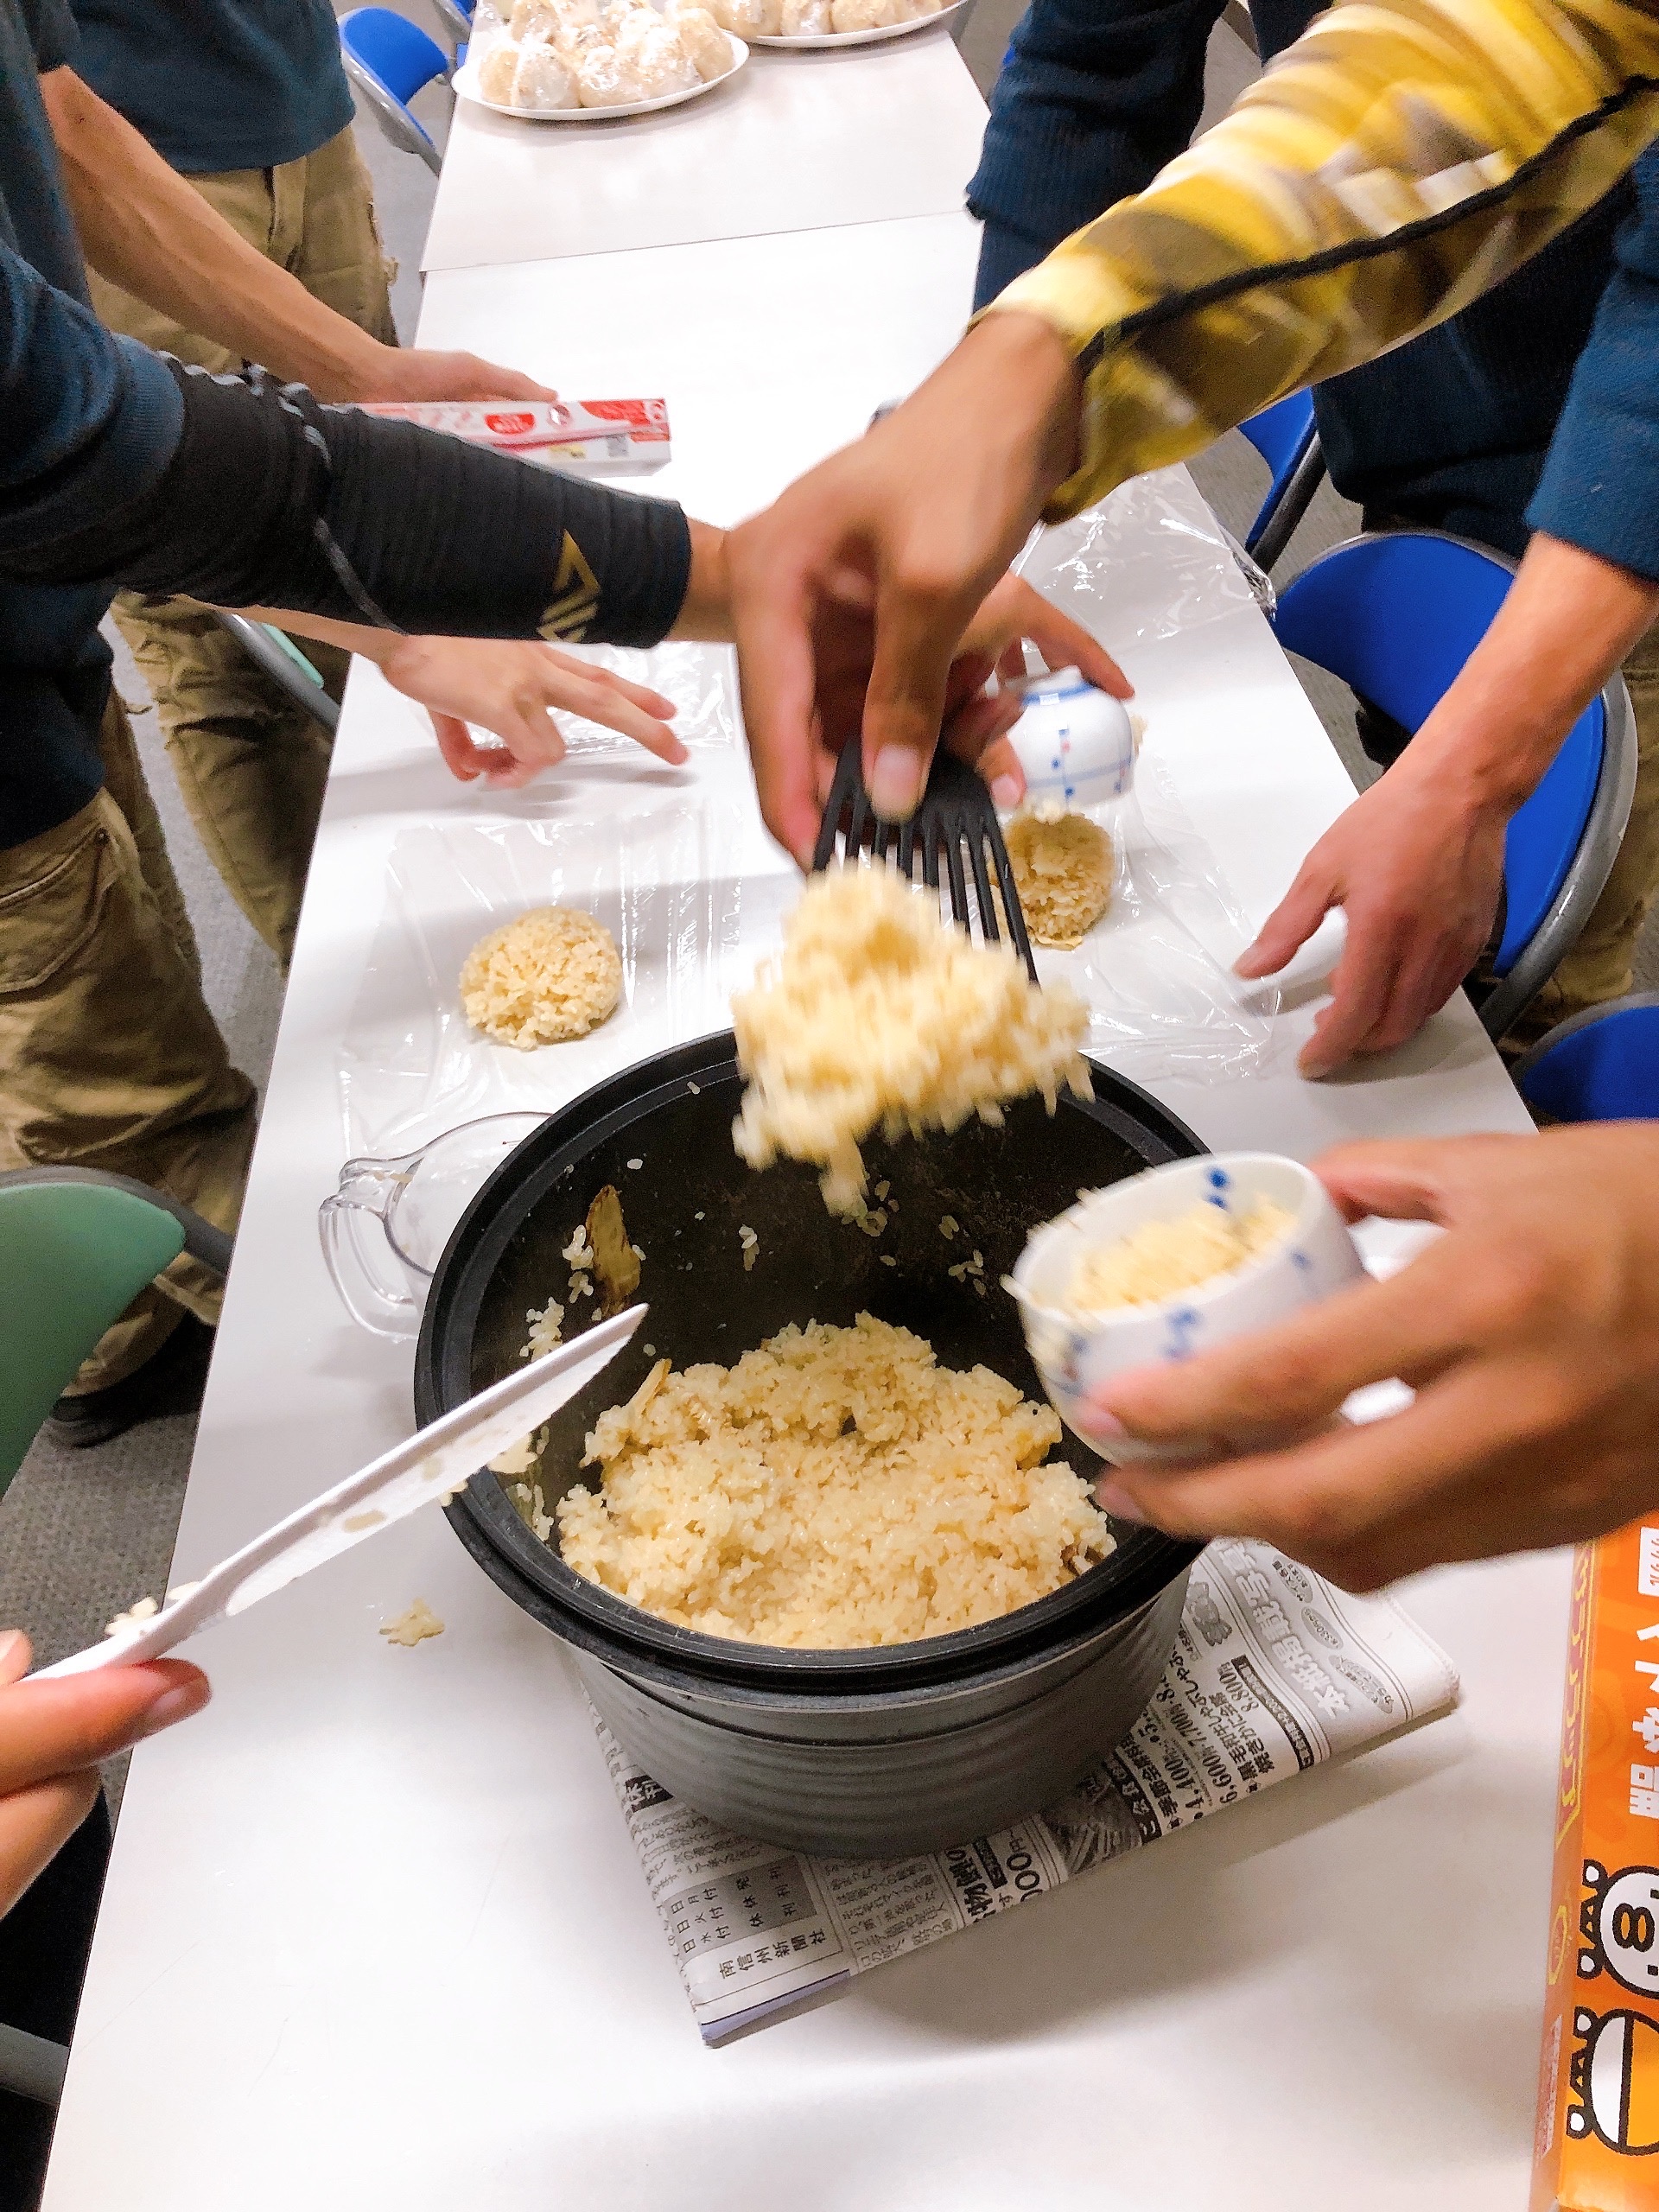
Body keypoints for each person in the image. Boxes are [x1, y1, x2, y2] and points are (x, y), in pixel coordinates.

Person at [968, 0, 1659, 1073]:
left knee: (1516, 1009)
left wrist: (1478, 774)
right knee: (1421, 924)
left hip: (1623, 521)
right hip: (1435, 439)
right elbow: (1090, 68)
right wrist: (986, 446)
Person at [47, 0, 493, 972]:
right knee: (220, 631)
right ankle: (348, 984)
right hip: (119, 154)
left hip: (289, 102)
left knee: (373, 518)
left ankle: (438, 880)